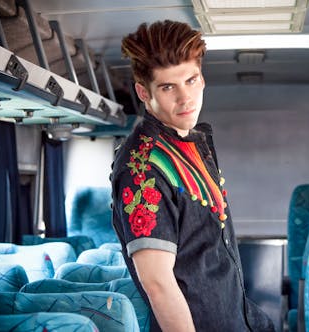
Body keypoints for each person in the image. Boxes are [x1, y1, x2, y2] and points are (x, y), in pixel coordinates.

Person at [111, 20, 275, 332]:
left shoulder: (190, 143)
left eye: (191, 80)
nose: (185, 99)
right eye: (168, 87)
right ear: (144, 92)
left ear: (202, 79)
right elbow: (157, 284)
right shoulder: (143, 166)